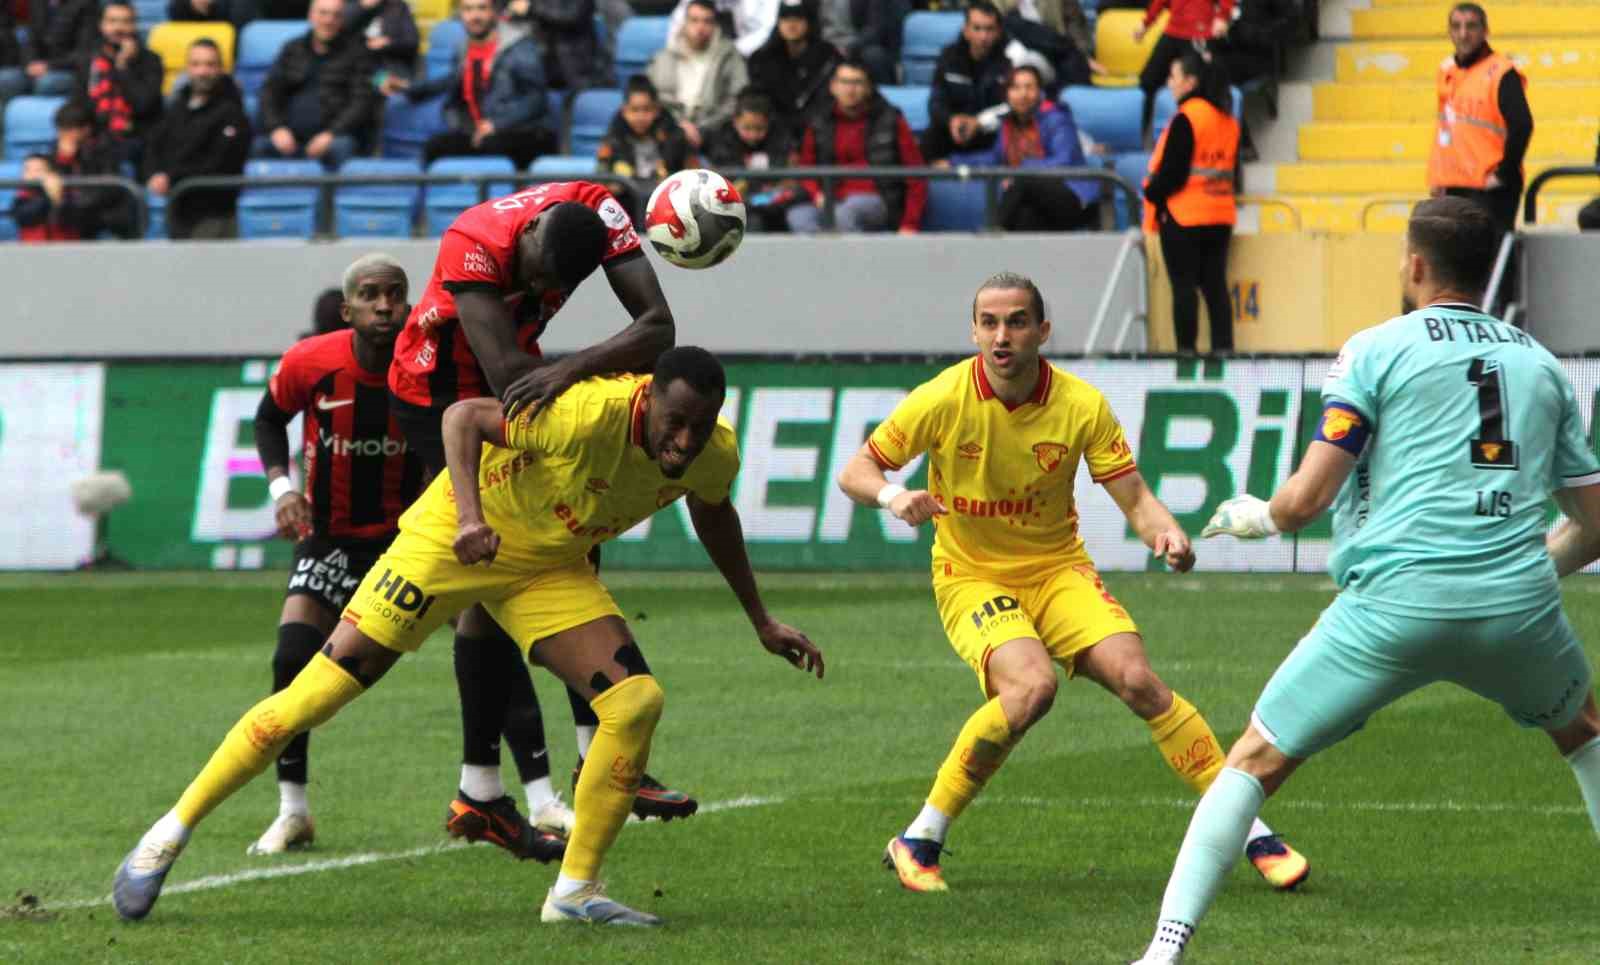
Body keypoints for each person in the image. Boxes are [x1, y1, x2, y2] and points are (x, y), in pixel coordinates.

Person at [113, 347, 825, 926]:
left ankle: (574, 891)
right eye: (675, 422)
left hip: (544, 568)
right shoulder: (583, 414)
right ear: (647, 400)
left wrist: (760, 617)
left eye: (699, 428)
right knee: (315, 695)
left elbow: (714, 511)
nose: (684, 440)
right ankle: (165, 835)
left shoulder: (710, 451)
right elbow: (462, 417)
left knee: (635, 702)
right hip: (453, 540)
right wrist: (468, 517)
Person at [1129, 195, 1600, 965]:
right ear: (1487, 272)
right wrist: (1514, 573)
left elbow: (1307, 498)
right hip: (1518, 610)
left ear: (1414, 265)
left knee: (1254, 758)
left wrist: (1258, 516)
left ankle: (1164, 950)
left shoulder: (1374, 349)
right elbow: (1594, 521)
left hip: (1391, 608)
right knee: (1582, 730)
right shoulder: (1543, 365)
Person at [835, 271, 1308, 895]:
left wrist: (1166, 535)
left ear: (1042, 331)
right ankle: (921, 837)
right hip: (972, 574)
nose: (1002, 336)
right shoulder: (943, 397)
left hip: (1058, 569)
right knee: (1032, 689)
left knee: (1139, 680)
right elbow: (857, 470)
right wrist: (894, 497)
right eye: (990, 323)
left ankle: (1252, 833)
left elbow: (1136, 500)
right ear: (975, 329)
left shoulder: (1081, 404)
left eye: (1016, 322)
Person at [386, 182, 699, 845]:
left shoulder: (599, 209)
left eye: (555, 287)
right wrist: (572, 383)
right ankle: (496, 785)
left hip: (528, 380)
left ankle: (507, 783)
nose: (538, 290)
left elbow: (660, 328)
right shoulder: (473, 244)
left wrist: (572, 368)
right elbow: (505, 376)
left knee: (565, 547)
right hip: (441, 395)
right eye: (533, 279)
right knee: (507, 570)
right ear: (525, 239)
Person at [244, 255, 552, 858]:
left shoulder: (437, 364)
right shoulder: (309, 363)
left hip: (418, 538)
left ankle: (540, 798)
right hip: (333, 539)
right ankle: (293, 812)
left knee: (489, 650)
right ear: (347, 309)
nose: (384, 306)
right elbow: (267, 420)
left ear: (410, 304)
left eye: (394, 295)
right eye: (370, 295)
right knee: (292, 658)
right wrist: (284, 491)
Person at [1143, 50, 1239, 353]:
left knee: (1184, 290)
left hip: (1184, 216)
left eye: (1173, 77)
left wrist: (1150, 191)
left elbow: (1173, 174)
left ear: (1190, 81)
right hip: (1220, 215)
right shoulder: (1227, 119)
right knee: (1215, 289)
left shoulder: (1187, 117)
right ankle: (1225, 352)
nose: (1170, 83)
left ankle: (1187, 356)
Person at [386, 0, 556, 169]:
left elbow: (536, 98)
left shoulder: (520, 47)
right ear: (461, 14)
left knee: (492, 145)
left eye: (482, 8)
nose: (474, 16)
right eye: (468, 9)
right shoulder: (464, 48)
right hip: (479, 133)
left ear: (494, 12)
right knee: (435, 147)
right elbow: (449, 81)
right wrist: (407, 87)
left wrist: (497, 124)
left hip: (521, 132)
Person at [1427, 3, 1532, 243]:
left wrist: (1504, 173)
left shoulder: (1501, 72)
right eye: (1456, 26)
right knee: (1460, 268)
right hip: (1454, 185)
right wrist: (1438, 177)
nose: (1463, 33)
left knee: (1491, 264)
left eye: (1471, 26)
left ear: (1485, 31)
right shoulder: (1447, 70)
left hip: (1489, 189)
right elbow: (1446, 129)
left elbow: (1522, 125)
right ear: (1449, 32)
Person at [787, 58, 927, 234]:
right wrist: (817, 194)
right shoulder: (818, 121)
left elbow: (916, 175)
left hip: (878, 199)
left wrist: (910, 224)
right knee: (798, 216)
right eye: (844, 82)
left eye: (857, 83)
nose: (850, 89)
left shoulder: (891, 120)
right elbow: (806, 169)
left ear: (868, 88)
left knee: (845, 213)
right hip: (829, 197)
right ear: (833, 86)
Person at [958, 64, 1099, 231]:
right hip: (1037, 205)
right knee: (1024, 217)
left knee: (1025, 177)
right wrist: (954, 162)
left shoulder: (1057, 119)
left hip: (1072, 197)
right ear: (1007, 94)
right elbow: (995, 158)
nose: (1023, 94)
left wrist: (1020, 172)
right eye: (1016, 88)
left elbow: (1064, 161)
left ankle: (992, 231)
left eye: (1029, 87)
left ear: (1040, 92)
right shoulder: (1007, 124)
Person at [143, 39, 252, 240]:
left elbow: (221, 163)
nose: (202, 72)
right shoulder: (177, 105)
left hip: (214, 213)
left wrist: (171, 178)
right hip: (177, 209)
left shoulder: (233, 113)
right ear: (187, 68)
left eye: (209, 65)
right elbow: (154, 143)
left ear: (221, 69)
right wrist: (154, 173)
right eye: (196, 64)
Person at [255, 0, 379, 170]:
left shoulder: (357, 53)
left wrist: (331, 134)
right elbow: (269, 92)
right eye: (323, 13)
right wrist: (276, 128)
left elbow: (361, 102)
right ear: (311, 16)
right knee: (258, 146)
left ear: (342, 20)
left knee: (341, 147)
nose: (329, 20)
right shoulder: (292, 49)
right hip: (288, 136)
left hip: (333, 137)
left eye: (336, 15)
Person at [11, 100, 137, 241]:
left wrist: (69, 201)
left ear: (85, 129)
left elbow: (105, 192)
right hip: (68, 222)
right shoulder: (53, 155)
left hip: (100, 221)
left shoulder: (105, 152)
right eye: (61, 130)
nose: (63, 135)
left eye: (68, 130)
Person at [647, 0, 749, 152]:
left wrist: (702, 127)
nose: (700, 27)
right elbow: (652, 97)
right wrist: (680, 125)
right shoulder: (664, 57)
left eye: (707, 21)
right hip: (671, 127)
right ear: (685, 23)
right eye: (694, 20)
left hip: (715, 129)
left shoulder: (729, 55)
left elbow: (737, 98)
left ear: (715, 25)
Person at [73, 0, 164, 162]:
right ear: (101, 25)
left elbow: (143, 105)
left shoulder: (151, 61)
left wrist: (122, 67)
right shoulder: (89, 60)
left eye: (126, 22)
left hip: (137, 142)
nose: (118, 28)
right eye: (112, 21)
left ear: (135, 26)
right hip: (96, 140)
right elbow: (80, 104)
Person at [597, 75, 696, 225]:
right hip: (627, 207)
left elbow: (692, 172)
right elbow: (601, 175)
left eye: (647, 109)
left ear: (656, 110)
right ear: (624, 110)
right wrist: (614, 186)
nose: (640, 116)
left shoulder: (674, 136)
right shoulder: (614, 138)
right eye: (634, 110)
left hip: (670, 208)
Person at [922, 1, 1010, 163]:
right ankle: (940, 181)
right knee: (930, 137)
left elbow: (1012, 107)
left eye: (989, 29)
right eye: (977, 28)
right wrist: (951, 120)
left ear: (998, 32)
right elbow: (936, 101)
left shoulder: (1010, 60)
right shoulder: (948, 58)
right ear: (966, 30)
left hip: (991, 130)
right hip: (956, 129)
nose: (983, 36)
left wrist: (979, 123)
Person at [702, 89, 799, 232]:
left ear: (768, 123)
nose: (753, 135)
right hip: (736, 207)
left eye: (759, 128)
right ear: (735, 122)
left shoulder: (780, 139)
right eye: (747, 128)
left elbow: (786, 178)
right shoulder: (723, 141)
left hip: (776, 205)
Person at [1135, 0, 1231, 142]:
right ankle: (1141, 138)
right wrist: (1147, 22)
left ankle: (1206, 140)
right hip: (1173, 31)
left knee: (1200, 90)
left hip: (1199, 32)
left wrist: (1222, 16)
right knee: (1147, 82)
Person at [747, 0, 841, 140]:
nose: (791, 25)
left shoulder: (828, 56)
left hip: (819, 130)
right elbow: (759, 98)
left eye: (798, 19)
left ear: (809, 21)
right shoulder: (761, 59)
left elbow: (831, 99)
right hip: (774, 133)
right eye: (785, 19)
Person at [25, 0, 98, 97]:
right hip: (37, 66)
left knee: (46, 83)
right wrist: (29, 63)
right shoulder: (37, 3)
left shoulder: (85, 4)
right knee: (6, 79)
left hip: (69, 69)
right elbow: (30, 41)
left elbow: (83, 52)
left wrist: (49, 66)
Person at [346, 0, 421, 86]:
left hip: (390, 67)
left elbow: (412, 42)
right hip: (357, 70)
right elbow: (341, 31)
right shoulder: (349, 6)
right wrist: (361, 8)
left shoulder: (398, 7)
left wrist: (388, 42)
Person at [846, 0, 910, 86]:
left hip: (886, 49)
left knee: (873, 55)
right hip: (850, 41)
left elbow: (876, 31)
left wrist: (850, 46)